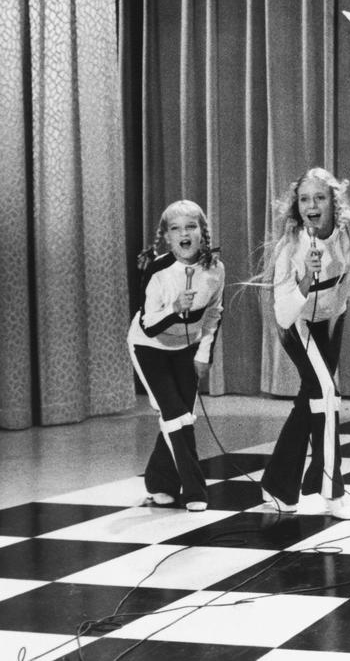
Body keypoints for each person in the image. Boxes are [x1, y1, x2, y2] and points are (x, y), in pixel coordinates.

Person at [259, 168, 350, 520]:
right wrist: (305, 277)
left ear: (334, 204)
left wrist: (336, 319)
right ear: (296, 206)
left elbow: (346, 288)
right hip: (298, 325)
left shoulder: (347, 237)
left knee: (311, 401)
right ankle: (332, 492)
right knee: (327, 394)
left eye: (320, 198)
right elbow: (285, 314)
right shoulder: (289, 248)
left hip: (330, 323)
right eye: (304, 199)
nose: (311, 205)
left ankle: (277, 483)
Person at [128, 200, 224, 512]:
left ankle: (159, 482)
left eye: (191, 227)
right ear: (167, 237)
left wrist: (204, 354)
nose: (184, 234)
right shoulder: (158, 269)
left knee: (181, 414)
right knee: (176, 416)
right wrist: (174, 309)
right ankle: (196, 490)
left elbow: (214, 314)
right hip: (149, 347)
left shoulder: (216, 269)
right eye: (175, 229)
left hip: (187, 348)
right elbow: (148, 322)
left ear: (202, 232)